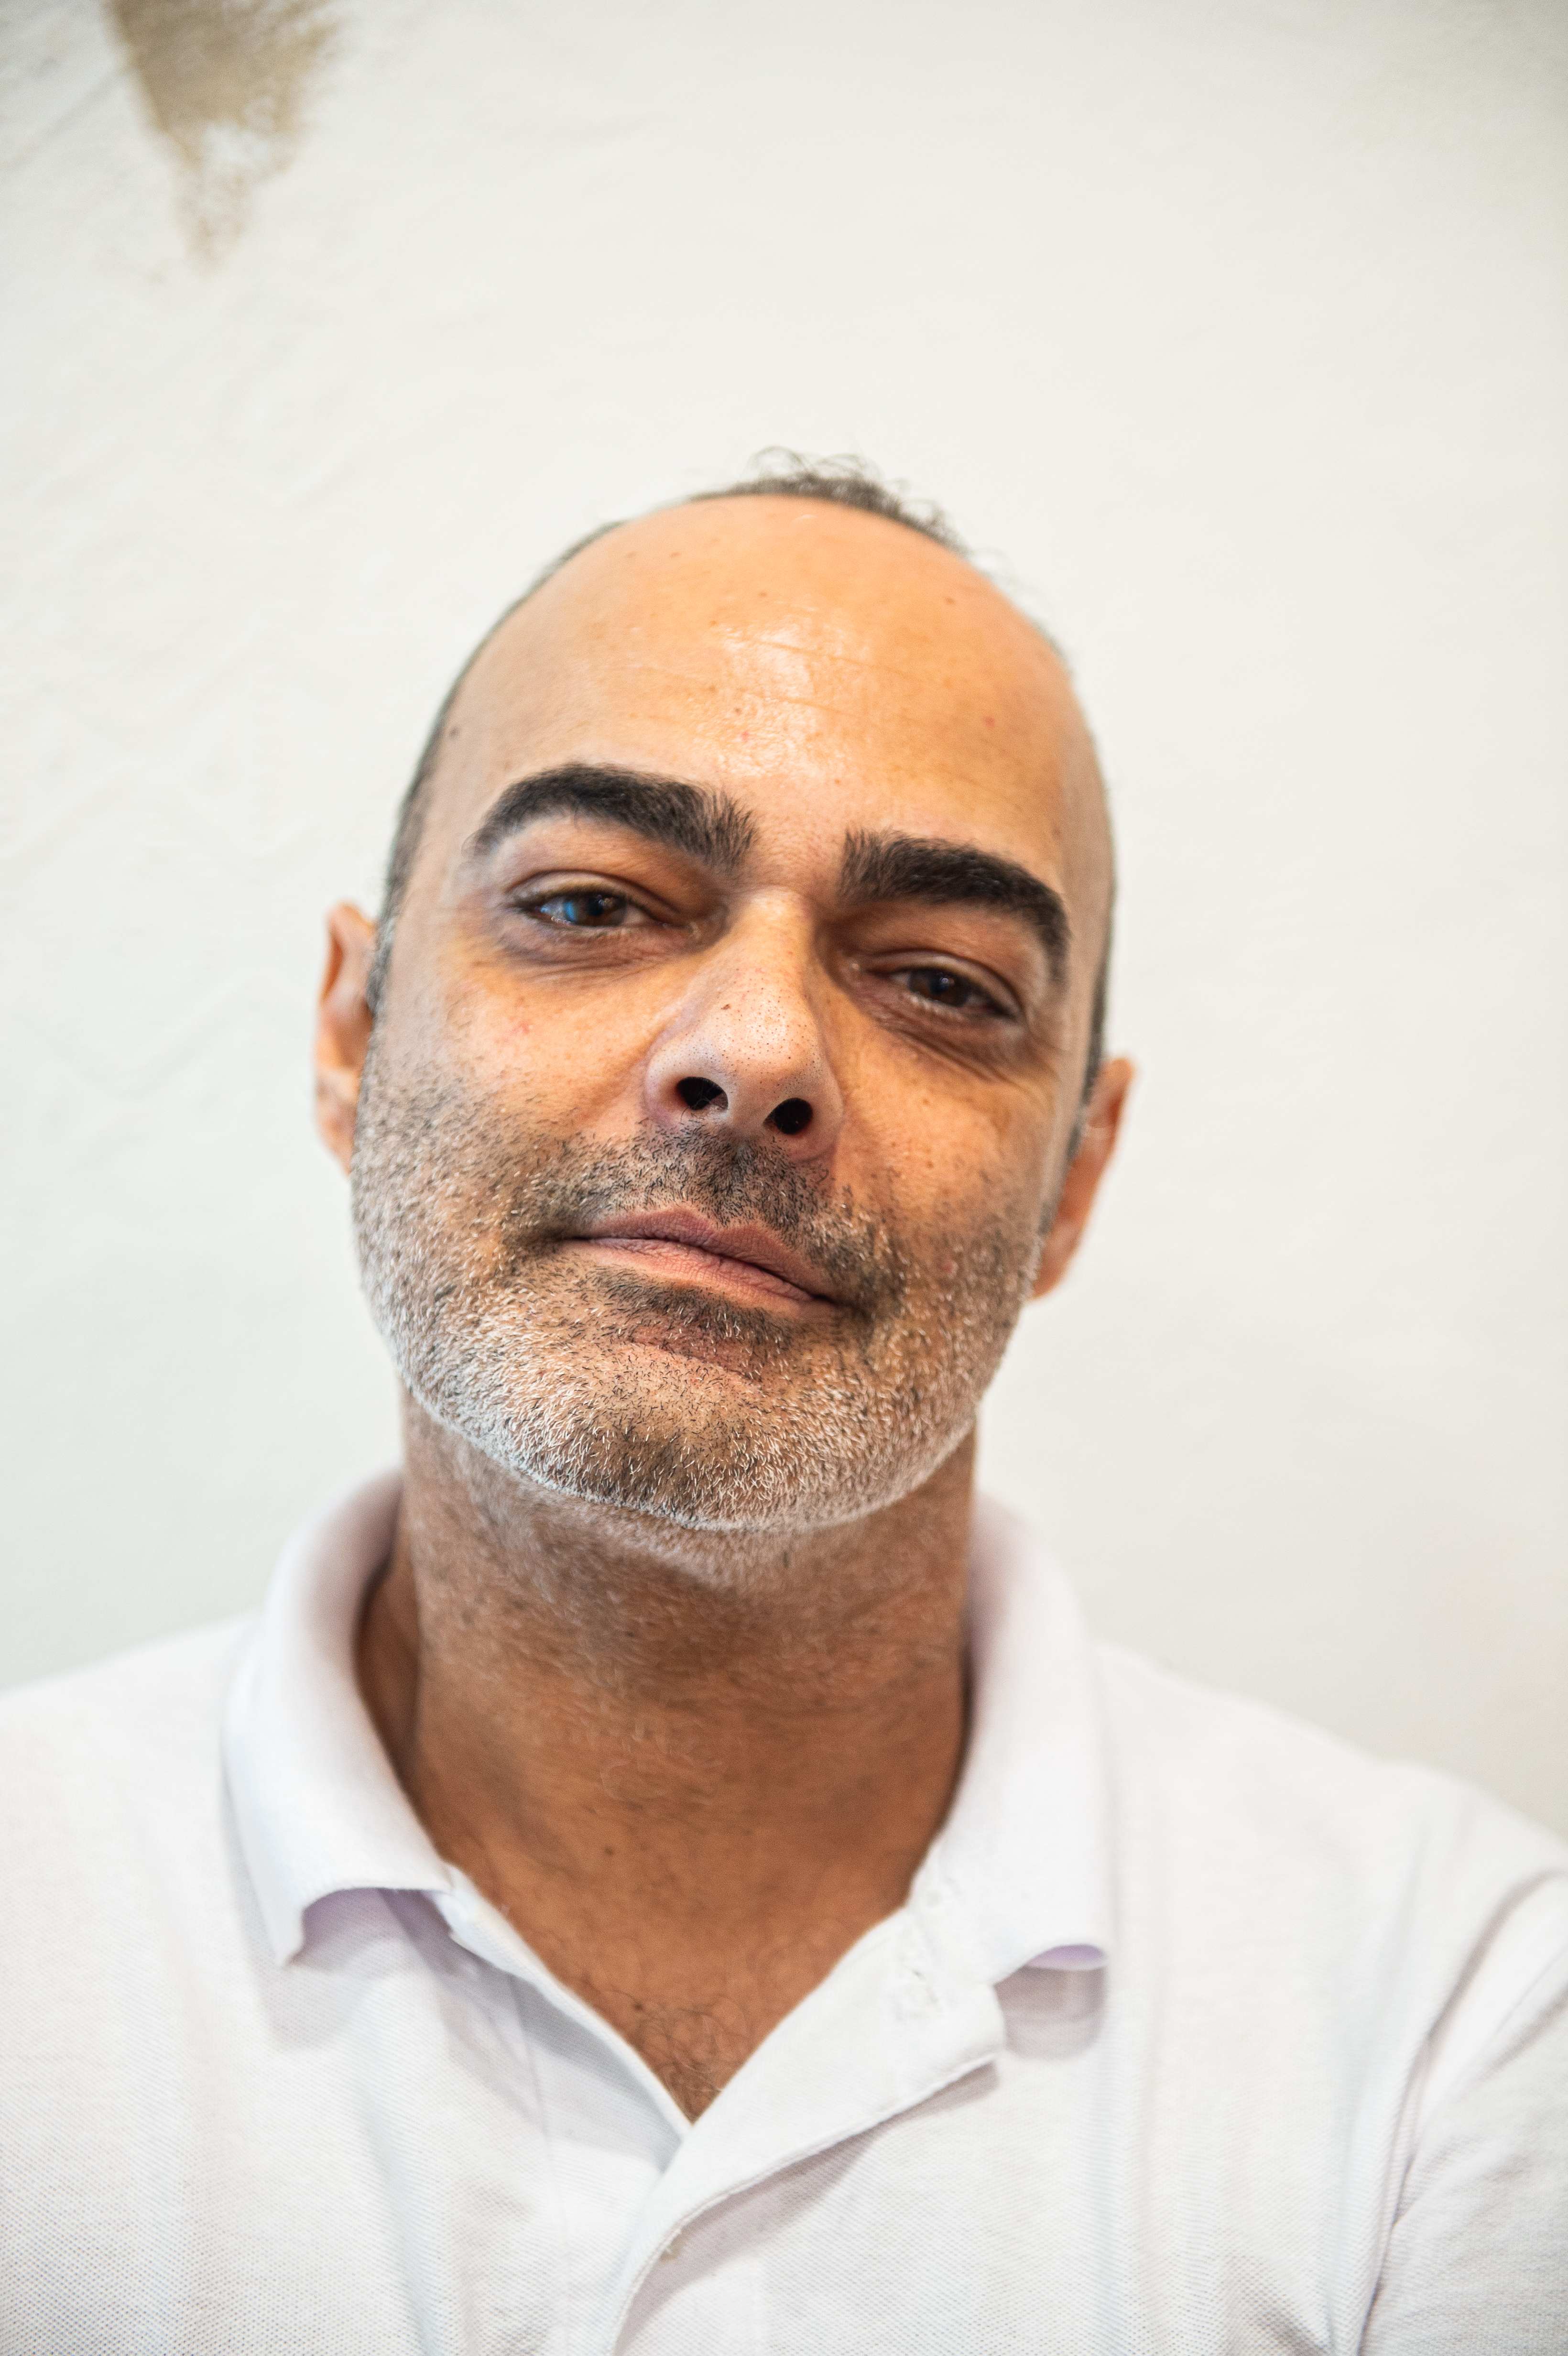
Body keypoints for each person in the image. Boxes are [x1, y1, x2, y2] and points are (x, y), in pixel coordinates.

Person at [1, 461, 1563, 2355]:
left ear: (1074, 1179)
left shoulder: (1460, 2023)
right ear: (353, 1029)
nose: (753, 1053)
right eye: (591, 900)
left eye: (942, 984)